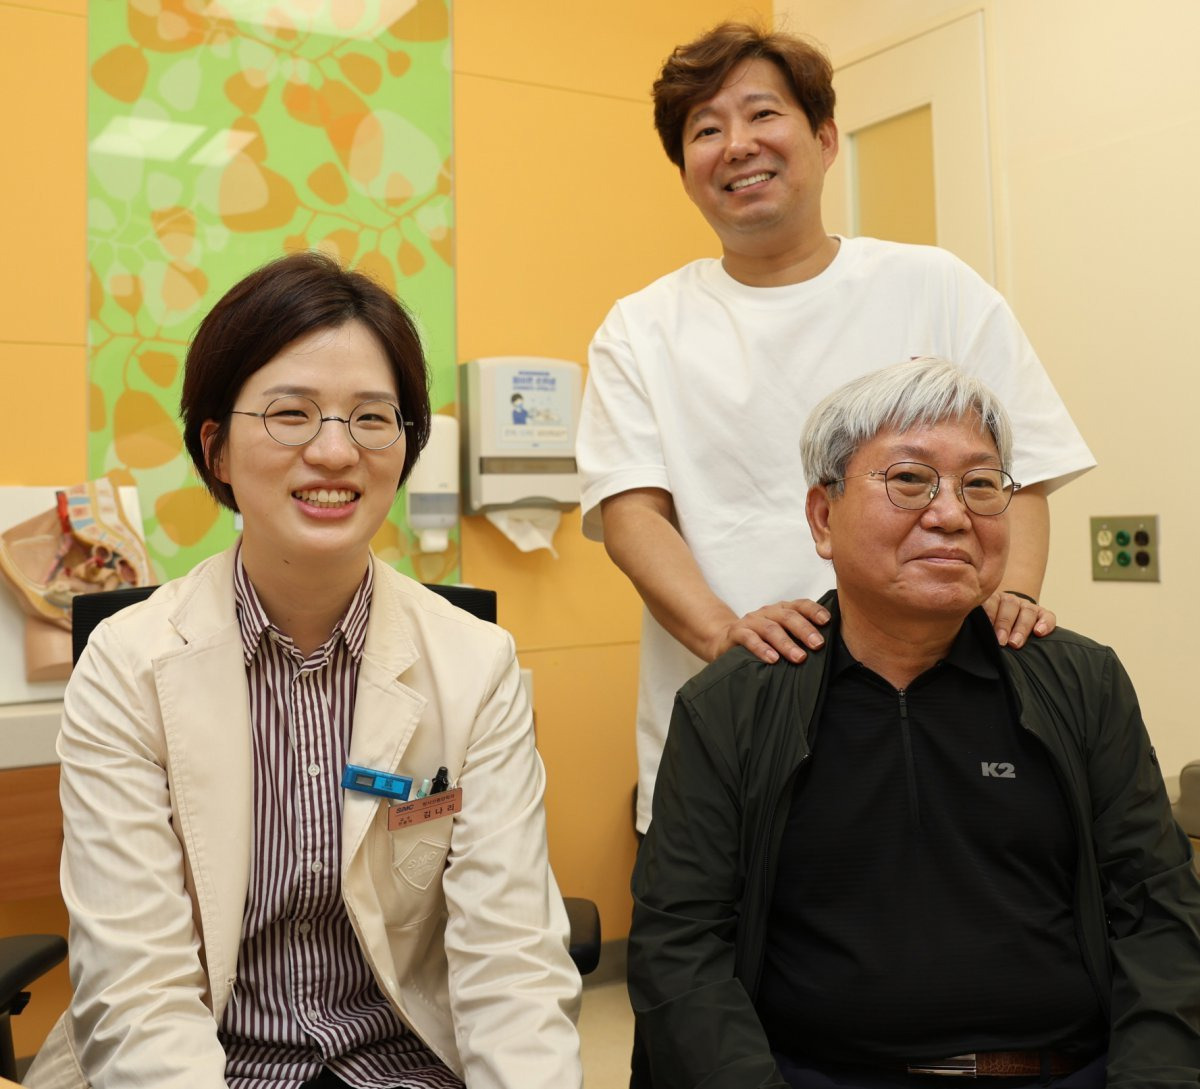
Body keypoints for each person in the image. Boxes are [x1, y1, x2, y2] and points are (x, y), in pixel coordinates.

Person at [26, 252, 583, 1089]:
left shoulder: (476, 665)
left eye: (371, 418)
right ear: (216, 448)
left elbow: (512, 966)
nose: (334, 451)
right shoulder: (127, 665)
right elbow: (139, 993)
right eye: (290, 414)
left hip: (403, 1067)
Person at [575, 22, 1096, 833]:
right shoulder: (641, 328)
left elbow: (1021, 474)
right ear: (684, 172)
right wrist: (727, 637)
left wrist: (1013, 603)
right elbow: (631, 512)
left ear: (824, 139)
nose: (737, 145)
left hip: (943, 721)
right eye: (706, 130)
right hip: (735, 735)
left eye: (762, 114)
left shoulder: (935, 285)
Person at [627, 358, 1200, 1089]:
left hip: (1061, 1072)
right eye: (909, 479)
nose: (951, 514)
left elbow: (1159, 912)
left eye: (980, 484)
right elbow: (681, 947)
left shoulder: (1080, 682)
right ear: (823, 518)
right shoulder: (735, 702)